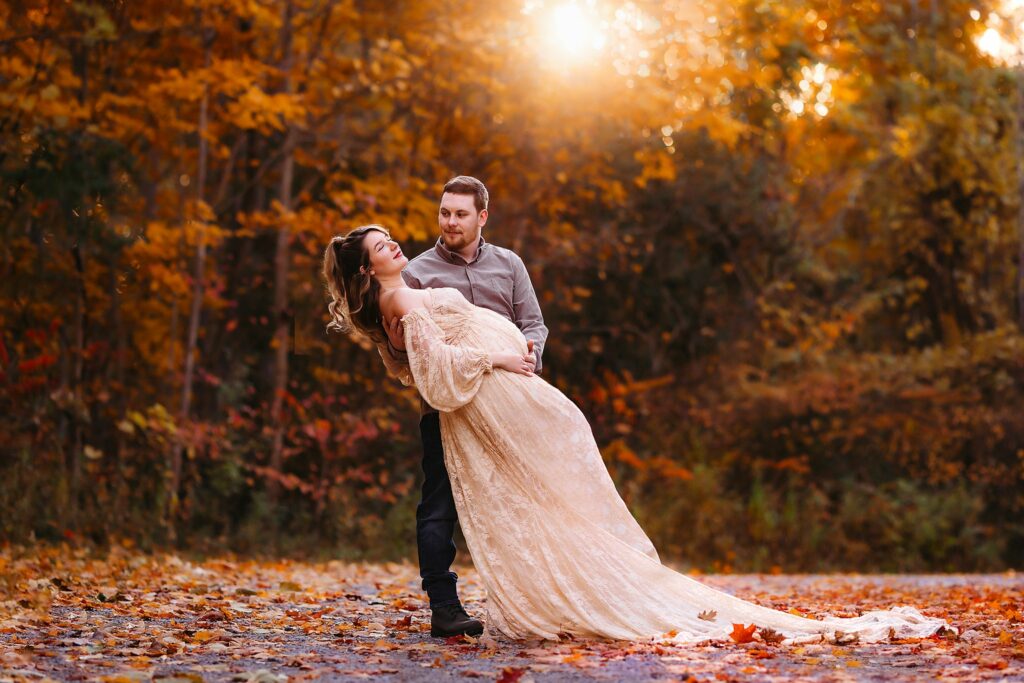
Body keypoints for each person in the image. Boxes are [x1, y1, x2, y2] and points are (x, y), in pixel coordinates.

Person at [322, 225, 951, 644]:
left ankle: (580, 576)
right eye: (381, 244)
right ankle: (496, 598)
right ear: (366, 264)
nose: (396, 244)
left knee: (549, 490)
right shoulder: (398, 303)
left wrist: (508, 351)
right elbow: (435, 375)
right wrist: (495, 360)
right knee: (524, 499)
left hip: (500, 394)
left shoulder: (411, 291)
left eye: (391, 236)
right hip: (486, 398)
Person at [378, 176, 549, 637]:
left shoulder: (509, 265)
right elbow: (403, 352)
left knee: (520, 507)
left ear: (482, 217)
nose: (450, 221)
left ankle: (526, 606)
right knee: (439, 508)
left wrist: (530, 351)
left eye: (460, 214)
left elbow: (533, 323)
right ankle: (444, 608)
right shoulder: (414, 272)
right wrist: (395, 347)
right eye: (444, 212)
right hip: (447, 412)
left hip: (508, 410)